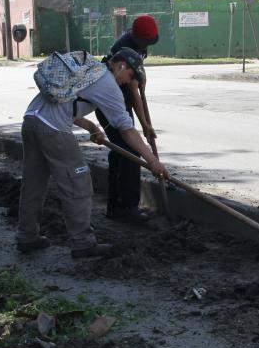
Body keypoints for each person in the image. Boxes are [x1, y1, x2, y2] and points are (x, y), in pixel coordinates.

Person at [17, 47, 168, 258]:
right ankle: (82, 243)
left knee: (33, 183)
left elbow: (66, 101)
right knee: (78, 183)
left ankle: (27, 237)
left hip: (31, 121)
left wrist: (91, 127)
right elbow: (126, 129)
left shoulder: (90, 70)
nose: (128, 81)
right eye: (131, 75)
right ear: (121, 65)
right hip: (53, 130)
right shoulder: (107, 83)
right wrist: (152, 161)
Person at [96, 14, 159, 223]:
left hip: (116, 98)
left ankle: (116, 206)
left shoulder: (136, 43)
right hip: (109, 102)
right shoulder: (124, 49)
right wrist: (145, 125)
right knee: (130, 152)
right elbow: (133, 91)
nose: (146, 46)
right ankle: (127, 207)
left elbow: (135, 85)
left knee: (121, 152)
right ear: (137, 37)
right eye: (145, 43)